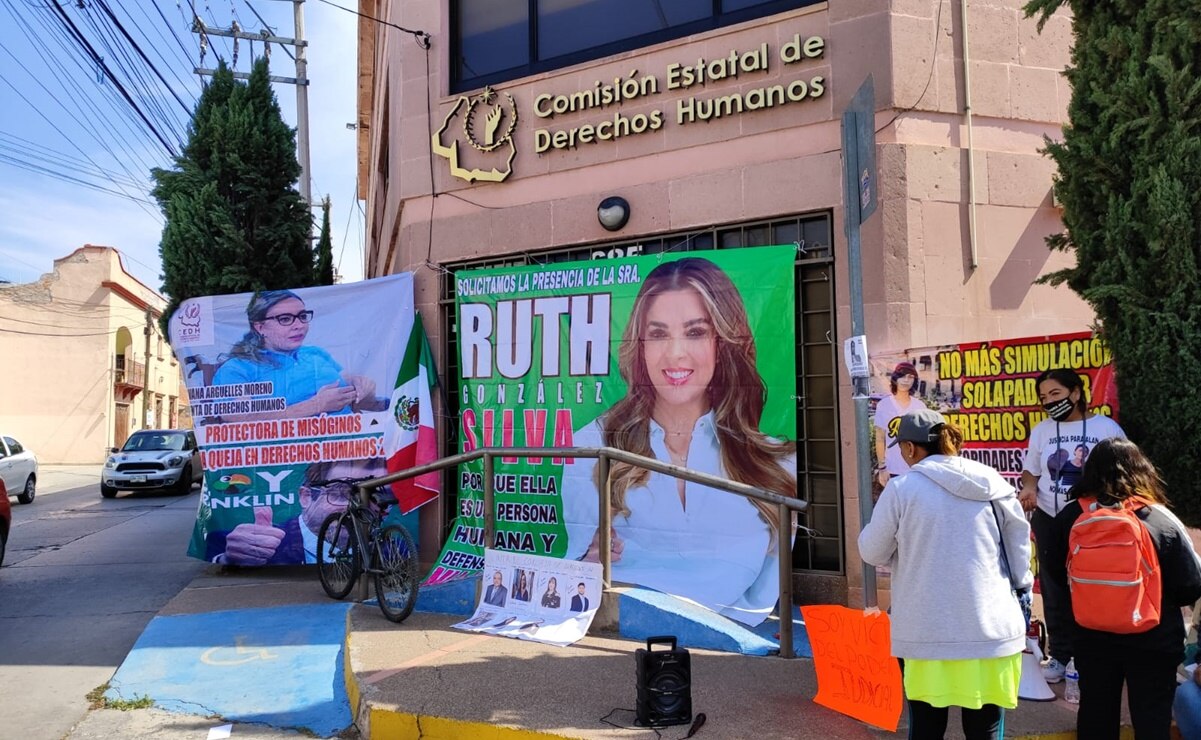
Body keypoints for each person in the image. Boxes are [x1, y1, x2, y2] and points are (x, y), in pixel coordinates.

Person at [562, 257, 797, 626]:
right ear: (639, 347)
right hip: (625, 628)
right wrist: (589, 561)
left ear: (723, 342)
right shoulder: (593, 444)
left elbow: (765, 580)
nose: (675, 354)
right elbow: (580, 560)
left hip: (736, 629)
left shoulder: (775, 461)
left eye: (695, 332)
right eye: (658, 334)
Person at [859, 409, 1031, 740]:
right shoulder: (993, 481)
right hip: (991, 630)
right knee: (987, 729)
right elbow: (1019, 548)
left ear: (909, 448)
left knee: (926, 727)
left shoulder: (902, 489)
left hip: (927, 632)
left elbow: (872, 552)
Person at [1042, 438, 1201, 740]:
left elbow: (1055, 575)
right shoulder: (1159, 518)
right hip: (1154, 637)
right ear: (1142, 470)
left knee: (1095, 715)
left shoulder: (1070, 516)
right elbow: (1191, 583)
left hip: (1090, 636)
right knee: (1152, 718)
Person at [1017, 368, 1126, 682]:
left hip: (1090, 518)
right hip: (1049, 516)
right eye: (1043, 398)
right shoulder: (1041, 431)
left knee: (1088, 586)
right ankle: (1061, 655)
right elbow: (1031, 472)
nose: (1050, 402)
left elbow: (1122, 475)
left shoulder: (1107, 428)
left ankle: (1087, 654)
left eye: (1055, 394)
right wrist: (1029, 488)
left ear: (1076, 393)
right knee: (1053, 585)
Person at [210, 290, 379, 421]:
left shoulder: (315, 353)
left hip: (354, 447)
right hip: (295, 460)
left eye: (302, 316)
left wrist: (365, 387)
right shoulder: (235, 369)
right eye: (285, 319)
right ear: (260, 327)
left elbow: (356, 395)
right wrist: (316, 405)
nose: (299, 325)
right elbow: (242, 425)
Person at [204, 457, 387, 565]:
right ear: (306, 497)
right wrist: (227, 559)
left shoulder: (400, 551)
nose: (354, 506)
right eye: (339, 493)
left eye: (371, 495)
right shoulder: (238, 543)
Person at [873, 362, 927, 487]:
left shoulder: (920, 406)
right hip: (892, 470)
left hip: (916, 470)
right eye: (902, 376)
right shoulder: (884, 405)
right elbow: (880, 438)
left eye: (910, 377)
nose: (906, 380)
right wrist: (882, 468)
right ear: (895, 378)